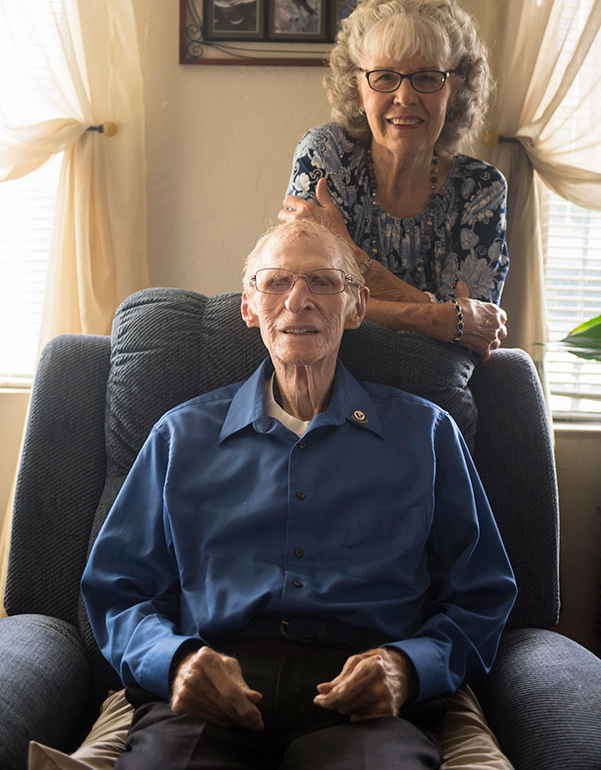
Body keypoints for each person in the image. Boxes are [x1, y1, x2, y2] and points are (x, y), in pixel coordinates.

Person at [81, 219, 516, 770]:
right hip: (211, 689)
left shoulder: (426, 434)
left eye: (322, 282)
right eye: (277, 283)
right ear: (249, 306)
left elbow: (482, 594)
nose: (299, 300)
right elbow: (117, 591)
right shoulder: (180, 436)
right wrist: (175, 661)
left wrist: (408, 668)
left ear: (356, 307)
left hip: (363, 699)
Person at [280, 0, 508, 360]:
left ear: (455, 88)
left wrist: (352, 259)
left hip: (436, 390)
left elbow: (471, 337)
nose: (405, 96)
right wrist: (441, 320)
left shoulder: (480, 189)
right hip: (331, 375)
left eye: (426, 77)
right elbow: (306, 304)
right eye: (385, 77)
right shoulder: (327, 155)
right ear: (357, 85)